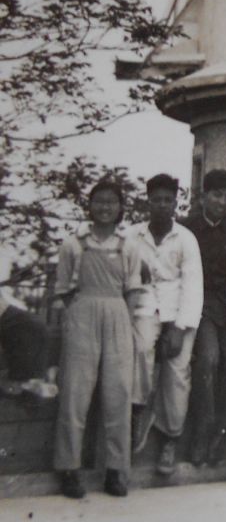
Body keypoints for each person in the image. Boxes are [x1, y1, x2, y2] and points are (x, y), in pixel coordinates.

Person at [53, 178, 146, 499]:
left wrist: (123, 321)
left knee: (118, 394)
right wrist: (81, 313)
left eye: (112, 201)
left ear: (121, 208)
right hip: (82, 316)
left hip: (118, 316)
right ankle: (69, 469)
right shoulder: (73, 244)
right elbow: (64, 290)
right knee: (75, 394)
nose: (105, 207)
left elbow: (134, 290)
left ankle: (116, 471)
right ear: (89, 206)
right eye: (99, 201)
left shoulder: (129, 244)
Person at [127, 173, 203, 476]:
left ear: (175, 202)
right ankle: (137, 415)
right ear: (148, 201)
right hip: (143, 309)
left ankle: (170, 437)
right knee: (140, 351)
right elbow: (125, 276)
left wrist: (179, 328)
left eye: (167, 200)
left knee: (178, 370)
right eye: (156, 199)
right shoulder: (132, 236)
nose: (161, 205)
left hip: (178, 312)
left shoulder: (185, 238)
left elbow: (193, 287)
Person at [183, 168, 226, 467]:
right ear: (203, 196)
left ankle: (223, 432)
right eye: (217, 195)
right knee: (208, 359)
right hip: (199, 306)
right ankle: (202, 431)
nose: (223, 202)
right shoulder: (186, 228)